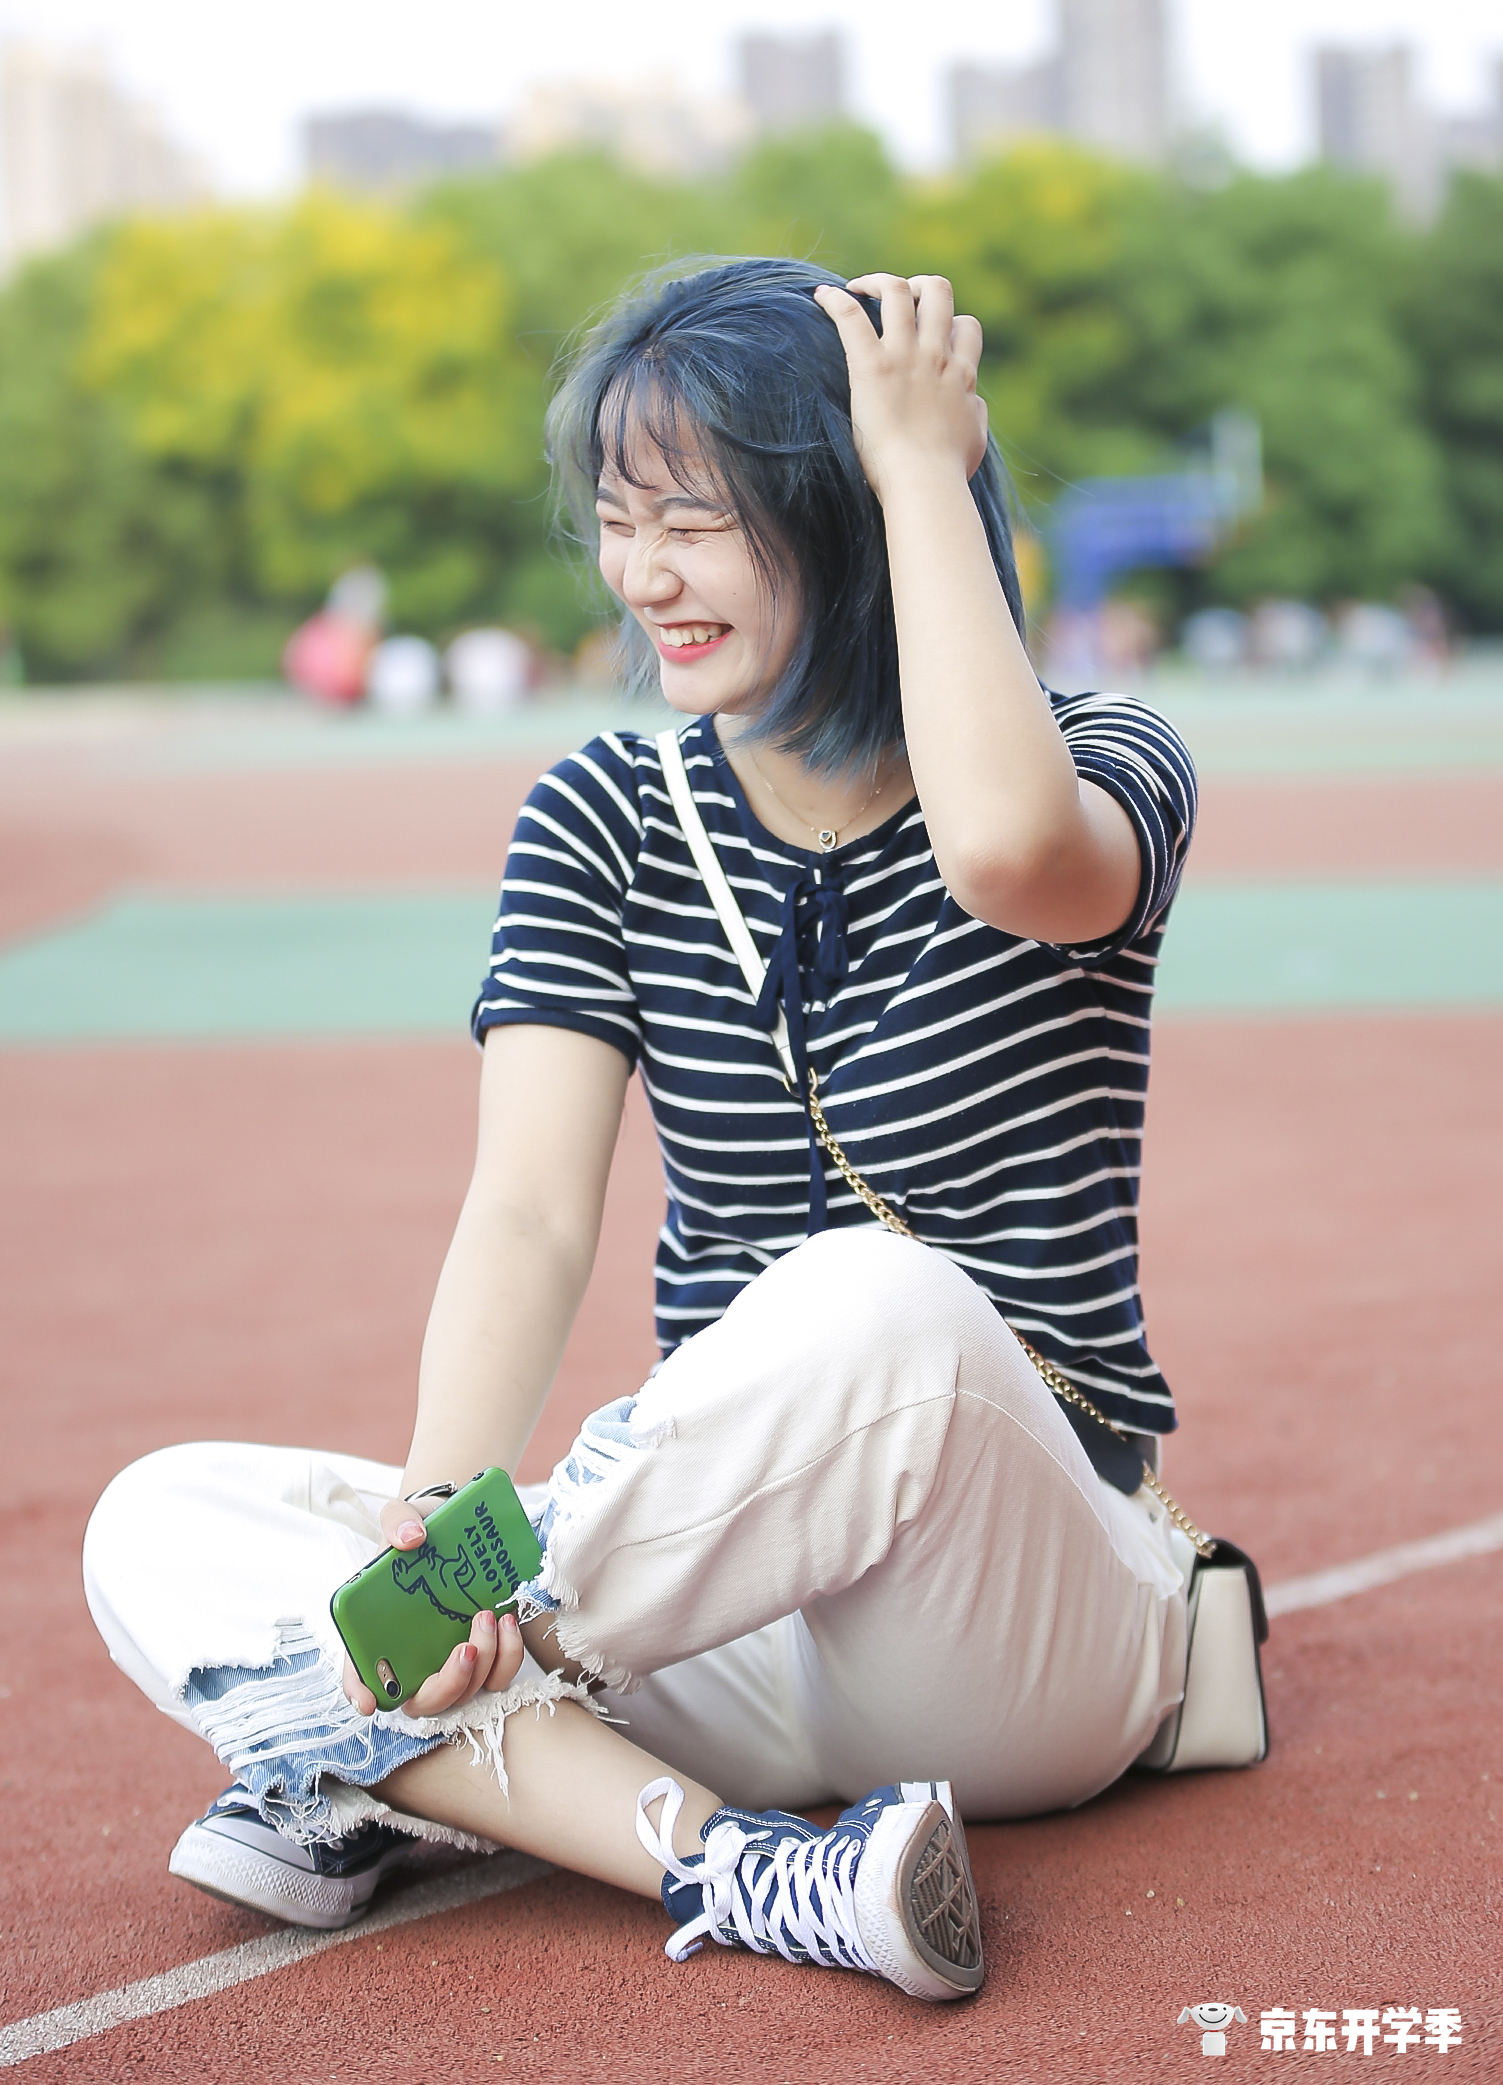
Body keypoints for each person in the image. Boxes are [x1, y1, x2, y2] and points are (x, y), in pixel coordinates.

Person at [83, 257, 1198, 2002]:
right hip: (715, 1614)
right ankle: (745, 1865)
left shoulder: (1102, 757)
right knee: (155, 1517)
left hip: (1015, 1606)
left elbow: (1005, 856)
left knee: (870, 1298)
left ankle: (355, 1727)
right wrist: (440, 1507)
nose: (641, 574)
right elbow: (529, 1211)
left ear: (843, 509)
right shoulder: (602, 811)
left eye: (695, 520)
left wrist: (922, 468)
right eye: (617, 520)